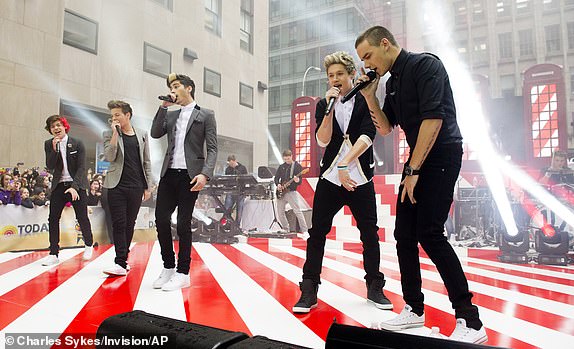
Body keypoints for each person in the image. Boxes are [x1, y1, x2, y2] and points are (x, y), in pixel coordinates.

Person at [355, 26, 487, 343]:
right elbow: (385, 128)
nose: (367, 65)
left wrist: (413, 169)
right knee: (404, 235)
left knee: (429, 232)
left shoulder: (425, 65)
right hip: (417, 160)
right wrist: (371, 97)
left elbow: (434, 119)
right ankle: (414, 309)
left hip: (441, 154)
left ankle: (471, 320)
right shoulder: (392, 83)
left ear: (385, 44)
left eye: (369, 56)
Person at [292, 51, 392, 314]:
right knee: (317, 233)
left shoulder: (365, 98)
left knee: (369, 233)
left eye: (339, 74)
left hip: (360, 176)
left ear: (351, 75)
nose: (334, 79)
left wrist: (347, 164)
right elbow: (322, 141)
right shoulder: (324, 103)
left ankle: (374, 286)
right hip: (331, 178)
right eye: (330, 76)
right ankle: (309, 288)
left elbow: (368, 136)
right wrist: (329, 110)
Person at [151, 73, 217, 291]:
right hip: (168, 174)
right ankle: (168, 267)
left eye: (176, 86)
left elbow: (213, 148)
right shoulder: (170, 115)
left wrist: (205, 174)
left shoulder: (206, 114)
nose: (173, 89)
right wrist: (163, 106)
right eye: (171, 86)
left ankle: (183, 272)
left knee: (182, 223)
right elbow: (155, 133)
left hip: (190, 176)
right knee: (160, 220)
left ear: (188, 88)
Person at [102, 100, 153, 276]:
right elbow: (109, 156)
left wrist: (148, 186)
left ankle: (123, 259)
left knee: (130, 224)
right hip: (116, 185)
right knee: (119, 223)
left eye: (117, 115)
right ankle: (120, 262)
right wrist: (115, 133)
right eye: (112, 116)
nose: (113, 118)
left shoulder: (142, 134)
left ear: (127, 115)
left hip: (137, 185)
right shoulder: (108, 134)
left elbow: (146, 161)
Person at [40, 115, 94, 266]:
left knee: (82, 216)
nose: (56, 128)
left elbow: (81, 168)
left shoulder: (77, 143)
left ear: (64, 126)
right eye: (53, 127)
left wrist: (74, 187)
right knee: (53, 218)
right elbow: (50, 166)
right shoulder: (48, 144)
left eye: (58, 125)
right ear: (50, 130)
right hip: (59, 185)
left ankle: (88, 244)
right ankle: (53, 253)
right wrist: (54, 149)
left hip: (77, 185)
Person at [274, 149, 308, 234]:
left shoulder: (297, 166)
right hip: (282, 192)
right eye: (285, 159)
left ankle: (305, 230)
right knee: (280, 212)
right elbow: (276, 177)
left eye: (288, 159)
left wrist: (297, 180)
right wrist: (278, 184)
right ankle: (285, 228)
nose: (287, 161)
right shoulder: (281, 166)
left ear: (291, 156)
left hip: (291, 192)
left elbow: (300, 181)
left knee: (297, 211)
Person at [224, 154, 248, 226]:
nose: (231, 165)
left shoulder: (242, 168)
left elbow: (246, 179)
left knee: (239, 210)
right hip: (231, 191)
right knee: (227, 208)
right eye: (229, 163)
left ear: (235, 161)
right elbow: (226, 180)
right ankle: (228, 224)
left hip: (240, 192)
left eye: (231, 163)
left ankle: (237, 225)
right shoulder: (228, 169)